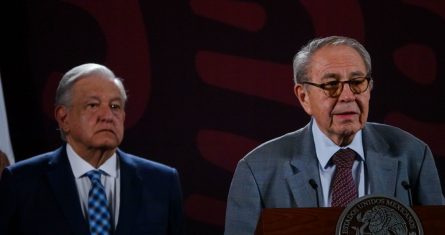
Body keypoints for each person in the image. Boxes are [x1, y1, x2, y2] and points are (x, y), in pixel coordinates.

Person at [224, 36, 445, 235]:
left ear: (369, 88)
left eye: (357, 82)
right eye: (331, 85)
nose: (347, 96)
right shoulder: (257, 170)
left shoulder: (413, 154)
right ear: (304, 97)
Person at [0, 63, 184, 235]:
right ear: (64, 118)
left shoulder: (162, 183)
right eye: (93, 105)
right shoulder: (21, 183)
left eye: (115, 106)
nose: (108, 116)